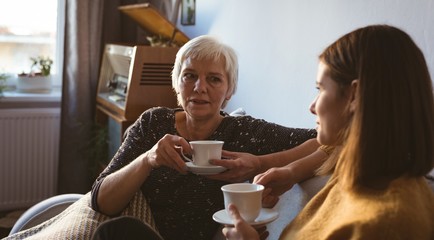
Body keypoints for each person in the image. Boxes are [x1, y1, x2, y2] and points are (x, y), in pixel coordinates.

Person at [90, 35, 328, 240]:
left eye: (214, 79)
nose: (199, 87)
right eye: (190, 76)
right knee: (115, 231)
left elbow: (325, 139)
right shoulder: (153, 124)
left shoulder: (247, 133)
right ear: (177, 82)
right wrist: (148, 159)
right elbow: (101, 201)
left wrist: (260, 164)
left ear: (230, 89)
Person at [222, 24, 434, 240]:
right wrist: (292, 172)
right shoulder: (360, 174)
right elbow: (333, 147)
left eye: (320, 89)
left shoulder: (387, 224)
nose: (312, 106)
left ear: (354, 96)